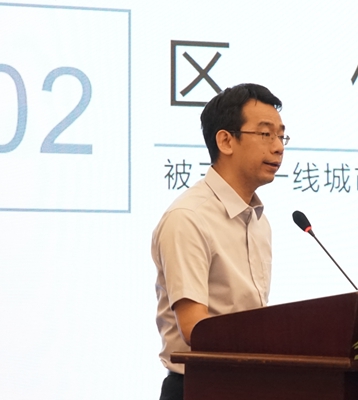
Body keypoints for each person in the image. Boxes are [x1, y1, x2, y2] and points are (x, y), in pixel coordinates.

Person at [151, 83, 287, 400]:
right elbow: (195, 328)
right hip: (199, 388)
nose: (278, 147)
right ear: (226, 141)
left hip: (248, 386)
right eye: (265, 134)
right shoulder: (189, 217)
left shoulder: (258, 220)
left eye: (282, 136)